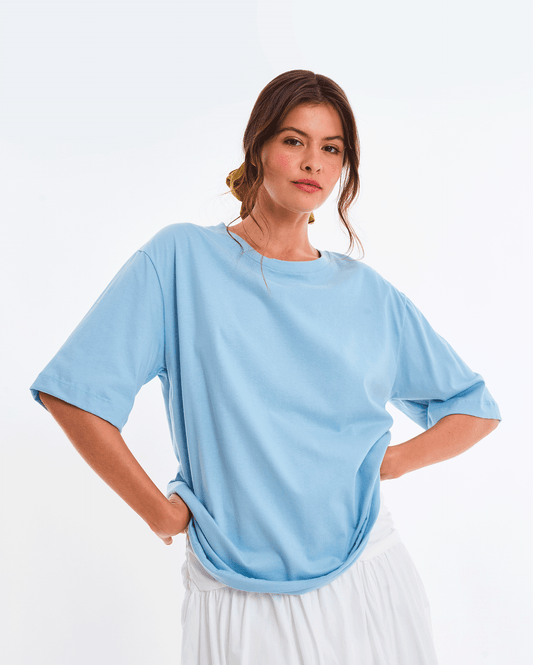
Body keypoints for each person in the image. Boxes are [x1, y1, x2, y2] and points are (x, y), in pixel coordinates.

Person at [30, 70, 501, 664]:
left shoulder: (365, 293)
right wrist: (160, 513)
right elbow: (75, 393)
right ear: (257, 146)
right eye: (293, 140)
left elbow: (473, 408)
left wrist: (386, 462)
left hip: (366, 573)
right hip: (236, 584)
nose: (313, 162)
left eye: (332, 149)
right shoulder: (181, 259)